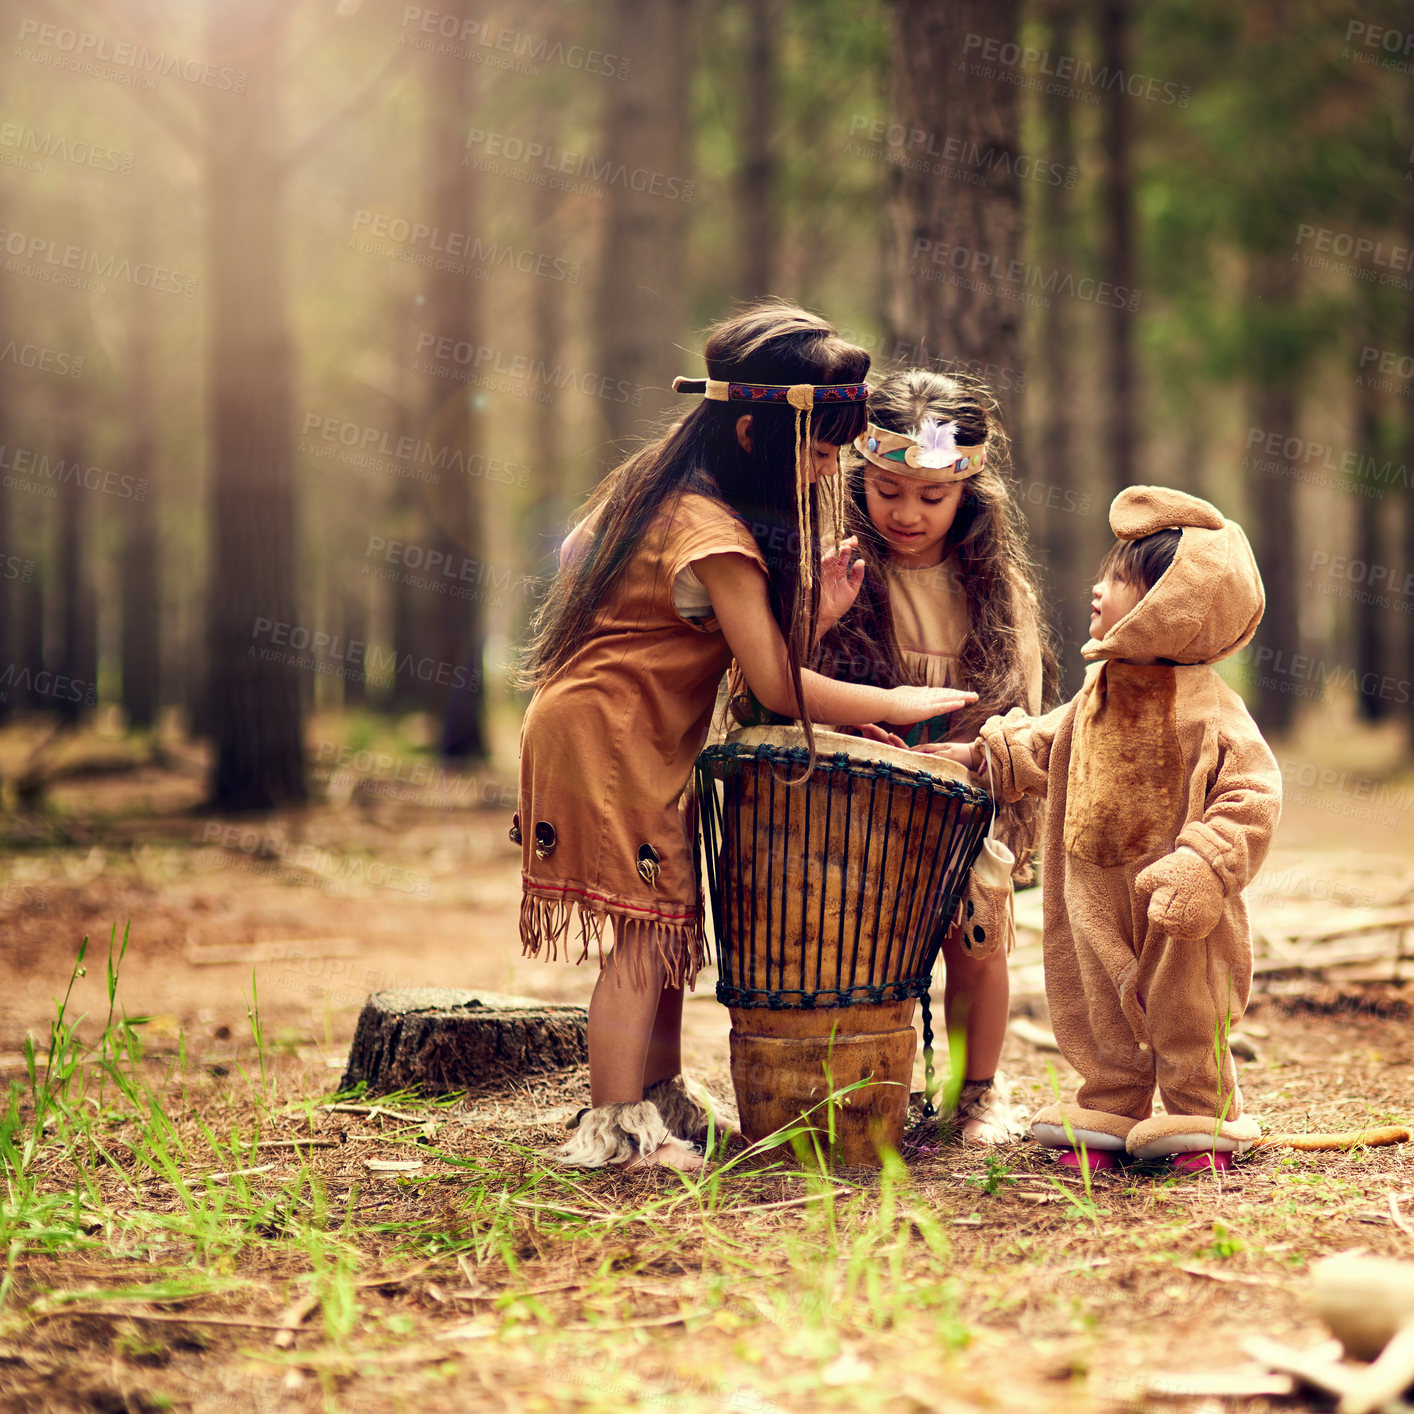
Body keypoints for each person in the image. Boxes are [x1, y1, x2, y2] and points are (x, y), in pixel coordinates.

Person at [515, 303, 977, 1171]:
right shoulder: (715, 535)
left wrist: (810, 615)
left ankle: (654, 1097)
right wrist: (904, 702)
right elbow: (772, 686)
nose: (828, 469)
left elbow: (588, 561)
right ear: (761, 435)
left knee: (664, 921)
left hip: (613, 726)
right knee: (645, 934)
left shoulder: (657, 486)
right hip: (612, 735)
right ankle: (613, 1129)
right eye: (819, 449)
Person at [934, 486, 1281, 1172]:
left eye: (1119, 581)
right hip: (1092, 888)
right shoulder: (1100, 692)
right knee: (1097, 1002)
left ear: (1174, 606)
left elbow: (1253, 793)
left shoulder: (1208, 707)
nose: (1098, 590)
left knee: (1188, 1005)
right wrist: (985, 755)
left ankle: (1200, 1115)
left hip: (1181, 902)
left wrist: (1206, 864)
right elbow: (1049, 740)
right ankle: (1112, 1103)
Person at [816, 368, 1057, 1143]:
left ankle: (974, 1094)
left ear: (968, 495)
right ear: (862, 479)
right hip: (850, 792)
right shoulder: (835, 563)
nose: (908, 513)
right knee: (847, 941)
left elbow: (1021, 708)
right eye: (888, 491)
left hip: (965, 790)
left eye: (932, 497)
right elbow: (783, 678)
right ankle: (851, 1092)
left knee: (976, 939)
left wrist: (973, 753)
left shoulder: (994, 587)